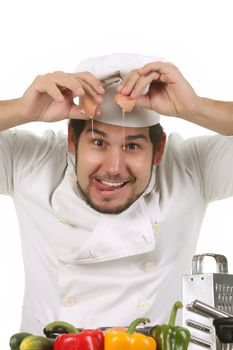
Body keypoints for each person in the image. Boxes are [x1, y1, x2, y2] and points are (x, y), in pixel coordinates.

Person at [0, 53, 233, 335]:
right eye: (98, 142)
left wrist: (195, 108)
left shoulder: (192, 168)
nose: (113, 168)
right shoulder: (28, 163)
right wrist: (21, 109)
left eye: (133, 146)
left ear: (159, 150)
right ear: (72, 142)